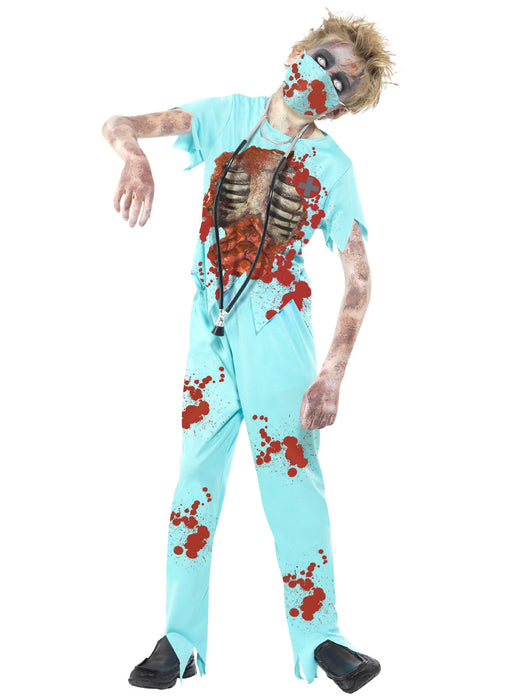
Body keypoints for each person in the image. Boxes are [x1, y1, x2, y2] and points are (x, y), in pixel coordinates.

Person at [102, 9, 396, 693]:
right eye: (324, 60)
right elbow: (120, 122)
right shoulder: (227, 115)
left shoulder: (331, 164)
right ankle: (180, 641)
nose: (327, 78)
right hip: (208, 331)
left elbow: (358, 276)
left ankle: (321, 637)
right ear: (297, 52)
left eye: (343, 84)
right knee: (194, 482)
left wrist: (332, 372)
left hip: (279, 334)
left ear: (343, 109)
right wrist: (135, 158)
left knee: (293, 486)